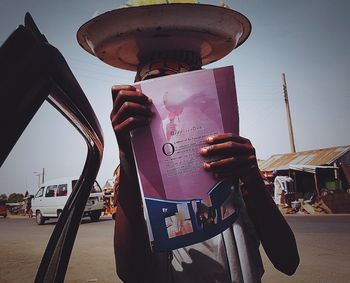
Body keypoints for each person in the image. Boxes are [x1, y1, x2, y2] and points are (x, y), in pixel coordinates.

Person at [110, 50, 299, 283]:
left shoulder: (234, 167)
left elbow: (288, 261)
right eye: (153, 85)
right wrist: (127, 154)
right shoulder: (136, 182)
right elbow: (130, 273)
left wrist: (252, 179)